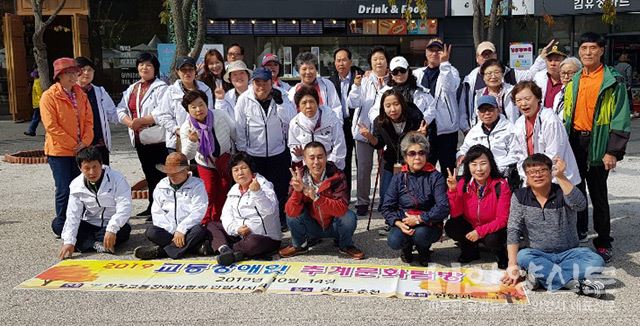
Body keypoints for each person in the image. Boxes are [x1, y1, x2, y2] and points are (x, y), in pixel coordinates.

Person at [563, 32, 632, 261]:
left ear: (602, 51)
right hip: (575, 141)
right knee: (575, 189)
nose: (588, 52)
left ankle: (603, 240)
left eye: (593, 48)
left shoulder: (612, 81)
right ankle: (580, 230)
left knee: (599, 193)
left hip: (599, 142)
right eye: (584, 48)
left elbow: (621, 117)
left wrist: (613, 151)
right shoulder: (575, 79)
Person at [502, 154, 606, 299]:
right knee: (523, 256)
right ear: (526, 175)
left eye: (543, 170)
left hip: (569, 253)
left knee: (597, 261)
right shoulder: (520, 196)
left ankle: (541, 278)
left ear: (551, 172)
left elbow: (580, 205)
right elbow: (513, 229)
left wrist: (561, 177)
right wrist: (512, 264)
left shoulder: (563, 190)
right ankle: (573, 283)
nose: (537, 175)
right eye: (532, 172)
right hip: (537, 254)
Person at [234, 68, 297, 231]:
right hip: (254, 153)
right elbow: (239, 128)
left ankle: (281, 219)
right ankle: (262, 220)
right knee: (259, 188)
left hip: (278, 151)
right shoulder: (244, 99)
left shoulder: (282, 95)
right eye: (257, 82)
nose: (261, 86)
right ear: (252, 83)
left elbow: (291, 119)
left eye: (265, 82)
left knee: (280, 188)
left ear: (271, 82)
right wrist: (243, 152)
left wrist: (281, 104)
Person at [279, 141, 364, 259]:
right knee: (292, 212)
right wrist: (297, 192)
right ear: (304, 158)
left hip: (333, 225)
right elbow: (290, 212)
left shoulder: (337, 176)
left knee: (348, 216)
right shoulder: (299, 177)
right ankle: (299, 245)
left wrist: (318, 198)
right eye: (312, 158)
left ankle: (345, 245)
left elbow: (341, 208)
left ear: (326, 157)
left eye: (320, 157)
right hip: (311, 225)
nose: (316, 162)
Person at [40, 57, 94, 236]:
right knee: (64, 188)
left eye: (74, 73)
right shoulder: (49, 96)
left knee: (81, 186)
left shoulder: (81, 94)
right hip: (59, 151)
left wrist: (85, 142)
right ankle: (62, 223)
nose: (73, 77)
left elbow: (88, 121)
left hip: (80, 149)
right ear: (59, 76)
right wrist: (74, 145)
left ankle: (81, 220)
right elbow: (51, 126)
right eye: (68, 73)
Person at [381, 132, 449, 266]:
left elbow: (443, 207)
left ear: (426, 155)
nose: (417, 157)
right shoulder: (398, 177)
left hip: (428, 223)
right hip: (404, 220)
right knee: (394, 240)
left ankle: (424, 250)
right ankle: (406, 248)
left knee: (421, 234)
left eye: (421, 153)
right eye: (412, 154)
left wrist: (420, 218)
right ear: (405, 157)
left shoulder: (436, 177)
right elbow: (387, 206)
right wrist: (398, 223)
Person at [117, 52, 168, 219]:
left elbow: (163, 111)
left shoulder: (161, 88)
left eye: (148, 65)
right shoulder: (133, 88)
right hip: (139, 138)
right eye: (141, 65)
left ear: (155, 68)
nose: (144, 68)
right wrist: (129, 122)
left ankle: (161, 208)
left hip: (156, 139)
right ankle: (152, 205)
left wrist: (142, 121)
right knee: (148, 173)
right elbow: (120, 109)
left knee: (159, 174)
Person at [357, 89, 428, 210]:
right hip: (391, 162)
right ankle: (393, 220)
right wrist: (369, 136)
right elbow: (378, 144)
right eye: (388, 106)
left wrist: (421, 135)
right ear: (383, 107)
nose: (393, 109)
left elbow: (423, 143)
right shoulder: (380, 121)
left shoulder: (414, 116)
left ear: (402, 104)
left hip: (412, 162)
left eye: (396, 104)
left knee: (412, 196)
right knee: (386, 197)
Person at [459, 40, 551, 132]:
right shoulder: (471, 80)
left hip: (511, 133)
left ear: (495, 55)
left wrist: (541, 58)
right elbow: (465, 107)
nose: (487, 57)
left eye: (490, 54)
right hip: (484, 133)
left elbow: (530, 75)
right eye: (484, 55)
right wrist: (467, 129)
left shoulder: (511, 78)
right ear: (477, 58)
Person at [209, 153, 282, 266]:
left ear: (251, 170)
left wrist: (258, 193)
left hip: (264, 238)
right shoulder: (234, 189)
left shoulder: (263, 185)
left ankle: (224, 248)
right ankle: (226, 251)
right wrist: (236, 229)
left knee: (253, 243)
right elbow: (226, 215)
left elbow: (269, 211)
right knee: (212, 225)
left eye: (244, 168)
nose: (240, 173)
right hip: (240, 235)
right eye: (236, 170)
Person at [58, 147, 132, 259]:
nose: (92, 172)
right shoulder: (76, 185)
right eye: (87, 168)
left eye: (95, 167)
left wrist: (112, 229)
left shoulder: (117, 179)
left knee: (125, 230)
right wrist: (69, 241)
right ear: (80, 168)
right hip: (90, 223)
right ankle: (97, 244)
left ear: (101, 164)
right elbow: (73, 214)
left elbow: (125, 207)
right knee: (58, 224)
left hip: (110, 223)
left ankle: (88, 243)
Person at [445, 144, 511, 268]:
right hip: (471, 224)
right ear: (468, 166)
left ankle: (500, 252)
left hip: (492, 228)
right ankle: (470, 250)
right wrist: (453, 191)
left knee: (493, 239)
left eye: (483, 163)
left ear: (491, 164)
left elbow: (503, 219)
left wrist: (479, 232)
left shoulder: (501, 185)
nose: (479, 169)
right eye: (474, 164)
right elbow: (456, 213)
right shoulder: (463, 183)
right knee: (452, 226)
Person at [134, 152, 209, 260]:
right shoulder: (161, 185)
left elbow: (199, 210)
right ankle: (192, 248)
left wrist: (182, 230)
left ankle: (162, 251)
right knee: (151, 231)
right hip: (168, 231)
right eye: (168, 172)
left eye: (175, 172)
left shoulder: (197, 185)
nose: (171, 175)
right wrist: (174, 232)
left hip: (188, 229)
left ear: (186, 170)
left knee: (199, 230)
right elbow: (157, 212)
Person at [180, 90, 236, 225]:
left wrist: (237, 154)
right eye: (193, 107)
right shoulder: (186, 127)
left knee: (223, 190)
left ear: (207, 104)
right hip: (205, 163)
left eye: (201, 104)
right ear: (187, 110)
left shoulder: (220, 115)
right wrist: (192, 141)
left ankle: (218, 221)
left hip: (224, 159)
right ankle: (204, 222)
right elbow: (187, 155)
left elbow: (234, 132)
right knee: (208, 192)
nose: (199, 109)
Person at [346, 46, 389, 216]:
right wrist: (356, 86)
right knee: (363, 168)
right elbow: (352, 103)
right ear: (370, 63)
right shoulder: (363, 80)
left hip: (385, 133)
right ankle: (363, 201)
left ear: (387, 62)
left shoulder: (392, 80)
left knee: (386, 167)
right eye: (375, 59)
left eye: (382, 58)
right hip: (364, 132)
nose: (379, 62)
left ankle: (385, 200)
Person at [511, 81, 580, 186]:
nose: (523, 103)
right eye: (518, 100)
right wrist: (527, 176)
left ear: (538, 98)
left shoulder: (550, 119)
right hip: (532, 179)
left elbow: (554, 154)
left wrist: (538, 176)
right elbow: (519, 155)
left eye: (527, 99)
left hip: (557, 179)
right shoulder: (519, 124)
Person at [412, 38, 461, 174]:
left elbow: (449, 87)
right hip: (424, 128)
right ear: (426, 53)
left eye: (438, 50)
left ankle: (448, 195)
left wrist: (445, 64)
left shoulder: (452, 71)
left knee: (448, 169)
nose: (434, 53)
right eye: (431, 50)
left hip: (446, 129)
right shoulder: (417, 74)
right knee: (424, 167)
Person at [456, 96, 518, 187]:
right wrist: (461, 155)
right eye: (483, 110)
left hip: (503, 173)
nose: (487, 113)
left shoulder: (510, 129)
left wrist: (494, 167)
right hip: (479, 173)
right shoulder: (474, 131)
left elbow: (515, 154)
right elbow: (464, 148)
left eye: (490, 109)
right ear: (478, 113)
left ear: (498, 110)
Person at [155, 56, 213, 152]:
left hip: (202, 139)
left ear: (196, 71)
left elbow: (210, 112)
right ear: (177, 72)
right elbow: (163, 115)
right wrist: (178, 130)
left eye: (190, 69)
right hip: (177, 141)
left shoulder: (205, 89)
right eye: (183, 70)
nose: (187, 73)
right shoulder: (171, 91)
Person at [329, 48, 365, 204]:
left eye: (344, 60)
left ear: (350, 62)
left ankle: (363, 199)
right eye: (338, 60)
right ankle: (345, 196)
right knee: (344, 161)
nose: (341, 63)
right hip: (340, 125)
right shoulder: (330, 82)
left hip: (358, 123)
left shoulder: (360, 77)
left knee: (362, 162)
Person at [288, 84, 346, 170]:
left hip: (331, 166)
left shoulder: (331, 118)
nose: (308, 106)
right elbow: (294, 149)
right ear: (298, 107)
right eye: (304, 103)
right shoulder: (295, 123)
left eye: (311, 101)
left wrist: (329, 166)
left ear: (317, 103)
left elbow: (339, 145)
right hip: (308, 167)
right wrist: (299, 156)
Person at [74, 56, 118, 164]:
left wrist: (131, 119)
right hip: (78, 144)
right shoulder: (70, 92)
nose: (86, 73)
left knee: (103, 173)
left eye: (90, 70)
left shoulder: (100, 91)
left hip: (99, 142)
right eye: (82, 70)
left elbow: (113, 113)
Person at [288, 51, 343, 122]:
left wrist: (338, 126)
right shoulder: (293, 92)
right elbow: (290, 117)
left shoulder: (327, 85)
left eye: (311, 68)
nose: (308, 72)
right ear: (298, 71)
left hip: (326, 129)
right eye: (304, 69)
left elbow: (336, 108)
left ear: (316, 70)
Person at [470, 59, 520, 126]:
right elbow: (477, 116)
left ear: (503, 74)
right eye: (489, 73)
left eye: (497, 72)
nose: (493, 76)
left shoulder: (513, 91)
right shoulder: (479, 95)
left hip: (511, 132)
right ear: (483, 77)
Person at [24, 68, 43, 136]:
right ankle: (31, 130)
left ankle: (31, 130)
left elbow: (39, 93)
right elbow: (39, 93)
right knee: (37, 117)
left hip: (37, 103)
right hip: (38, 103)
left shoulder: (36, 82)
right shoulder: (37, 81)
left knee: (36, 117)